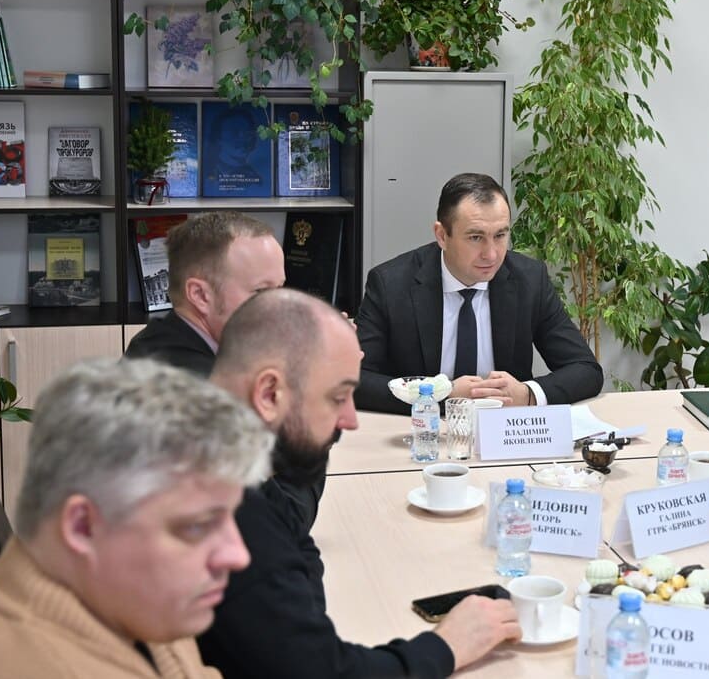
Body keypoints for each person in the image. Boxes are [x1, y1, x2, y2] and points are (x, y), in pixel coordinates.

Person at [201, 288, 522, 678]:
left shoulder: (217, 462)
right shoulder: (225, 519)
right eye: (338, 397)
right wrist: (447, 646)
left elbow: (299, 552)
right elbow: (326, 672)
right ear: (269, 393)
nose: (351, 420)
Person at [0, 358, 274, 679]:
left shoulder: (129, 597)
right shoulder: (17, 663)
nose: (238, 555)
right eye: (197, 526)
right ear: (83, 527)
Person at [355, 172, 603, 414]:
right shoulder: (391, 285)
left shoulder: (529, 280)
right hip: (423, 430)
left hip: (504, 428)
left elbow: (585, 369)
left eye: (500, 235)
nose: (491, 254)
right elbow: (356, 380)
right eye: (476, 237)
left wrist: (527, 394)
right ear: (442, 235)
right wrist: (441, 395)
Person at [126, 211, 284, 376]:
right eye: (260, 291)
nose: (279, 308)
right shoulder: (198, 383)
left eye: (280, 287)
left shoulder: (161, 338)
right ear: (200, 295)